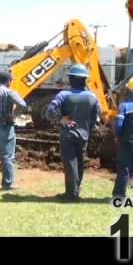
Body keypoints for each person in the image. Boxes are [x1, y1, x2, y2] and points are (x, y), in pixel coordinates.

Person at [45, 64, 100, 202]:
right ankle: (76, 190)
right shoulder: (93, 97)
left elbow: (50, 111)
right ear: (84, 80)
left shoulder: (63, 95)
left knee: (70, 163)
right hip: (84, 135)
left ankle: (71, 194)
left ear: (70, 79)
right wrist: (88, 129)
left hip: (68, 134)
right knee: (80, 163)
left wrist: (60, 119)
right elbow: (95, 119)